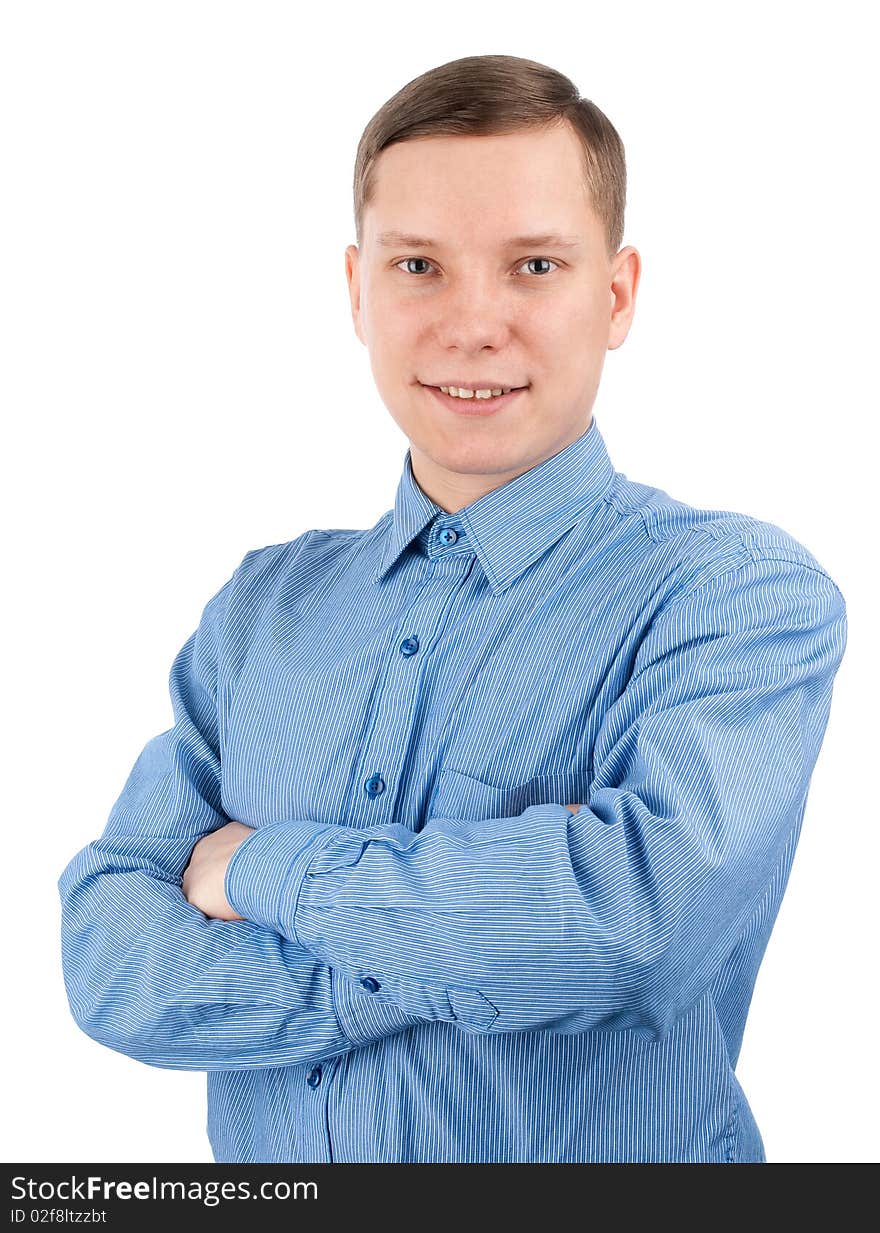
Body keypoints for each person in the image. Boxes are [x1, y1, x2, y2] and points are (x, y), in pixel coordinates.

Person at [57, 53, 848, 1164]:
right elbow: (109, 965)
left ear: (613, 295)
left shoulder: (732, 598)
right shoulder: (260, 611)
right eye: (419, 264)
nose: (473, 324)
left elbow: (627, 935)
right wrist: (489, 923)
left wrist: (260, 870)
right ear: (356, 289)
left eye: (533, 264)